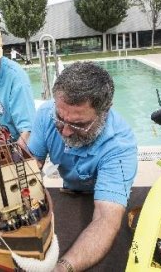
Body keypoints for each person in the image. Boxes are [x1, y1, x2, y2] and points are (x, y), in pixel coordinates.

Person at [27, 61, 138, 271]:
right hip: (69, 190)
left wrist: (62, 268)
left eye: (79, 124)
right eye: (60, 118)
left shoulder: (120, 147)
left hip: (105, 197)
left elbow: (106, 219)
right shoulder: (46, 114)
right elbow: (32, 164)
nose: (66, 132)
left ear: (105, 112)